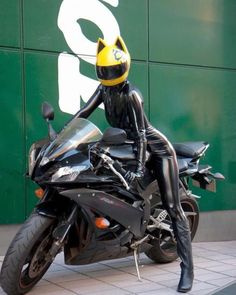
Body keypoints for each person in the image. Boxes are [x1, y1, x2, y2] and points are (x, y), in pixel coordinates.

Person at [73, 36, 194, 293]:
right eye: (105, 70)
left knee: (174, 208)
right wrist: (65, 134)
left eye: (113, 69)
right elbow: (84, 112)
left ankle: (187, 269)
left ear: (124, 67)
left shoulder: (131, 94)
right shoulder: (103, 89)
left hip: (157, 151)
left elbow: (141, 135)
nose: (109, 73)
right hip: (129, 145)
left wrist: (139, 168)